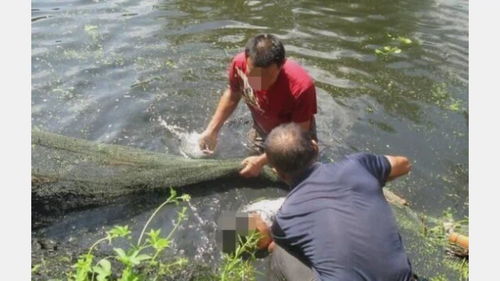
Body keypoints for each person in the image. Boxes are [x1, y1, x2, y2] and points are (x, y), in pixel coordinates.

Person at [252, 123, 417, 281]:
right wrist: (375, 179)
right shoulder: (358, 165)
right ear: (315, 146)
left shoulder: (285, 218)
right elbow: (405, 164)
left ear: (278, 173)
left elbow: (271, 244)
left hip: (272, 226)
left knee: (279, 252)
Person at [198, 33, 317, 178]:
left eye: (267, 77)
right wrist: (212, 130)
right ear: (246, 60)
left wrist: (261, 161)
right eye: (252, 75)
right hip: (262, 128)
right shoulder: (239, 64)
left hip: (291, 137)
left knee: (296, 174)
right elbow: (233, 95)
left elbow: (298, 136)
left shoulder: (301, 86)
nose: (259, 84)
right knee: (250, 168)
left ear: (281, 66)